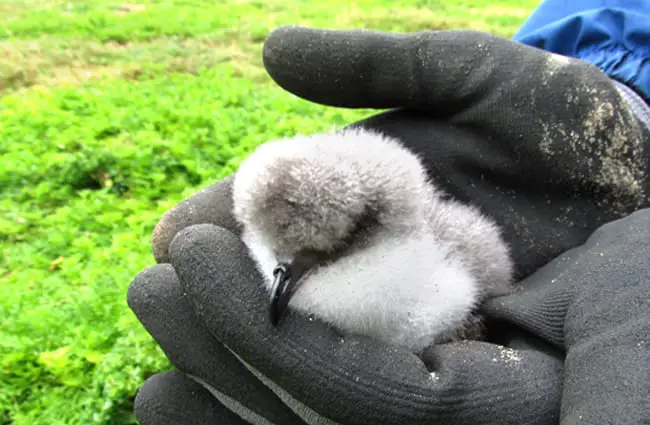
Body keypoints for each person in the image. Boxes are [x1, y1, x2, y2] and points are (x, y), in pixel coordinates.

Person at [126, 0, 650, 423]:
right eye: (285, 250)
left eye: (314, 252)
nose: (287, 273)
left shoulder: (430, 267)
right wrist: (630, 103)